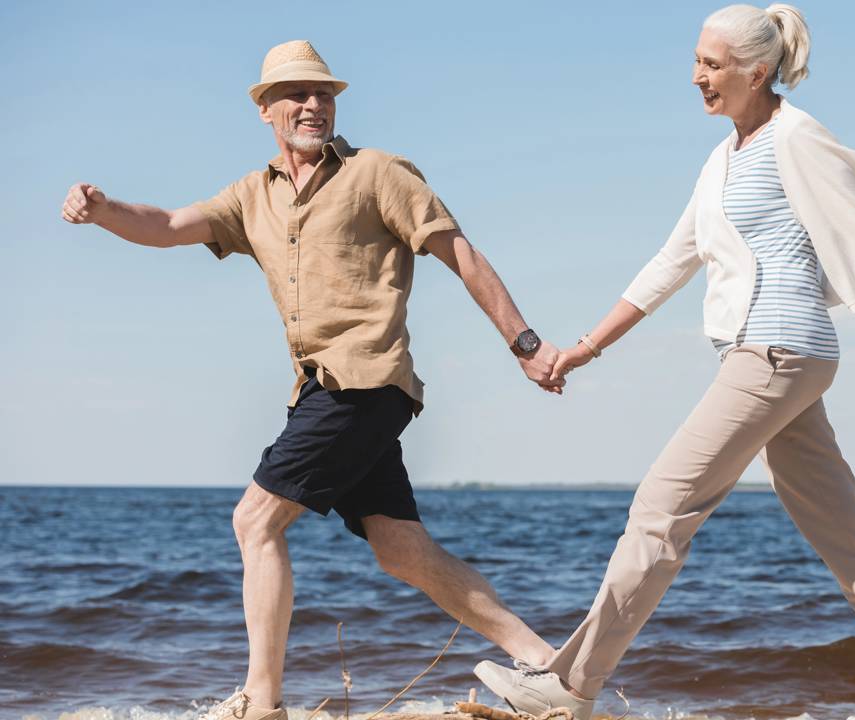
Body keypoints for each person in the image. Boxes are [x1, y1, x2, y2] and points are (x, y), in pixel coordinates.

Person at [473, 5, 855, 720]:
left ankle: (570, 687)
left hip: (774, 351)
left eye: (711, 65)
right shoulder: (725, 159)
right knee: (842, 530)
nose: (696, 77)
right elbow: (670, 261)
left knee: (660, 508)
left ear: (758, 70)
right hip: (781, 358)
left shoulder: (795, 139)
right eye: (696, 61)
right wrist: (582, 350)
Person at [60, 40, 560, 720]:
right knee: (401, 550)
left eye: (323, 93)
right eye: (295, 94)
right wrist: (104, 208)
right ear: (265, 109)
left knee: (255, 520)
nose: (313, 104)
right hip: (323, 388)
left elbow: (459, 250)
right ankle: (546, 666)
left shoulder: (378, 173)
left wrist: (523, 342)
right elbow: (172, 225)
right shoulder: (252, 196)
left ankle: (262, 701)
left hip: (367, 380)